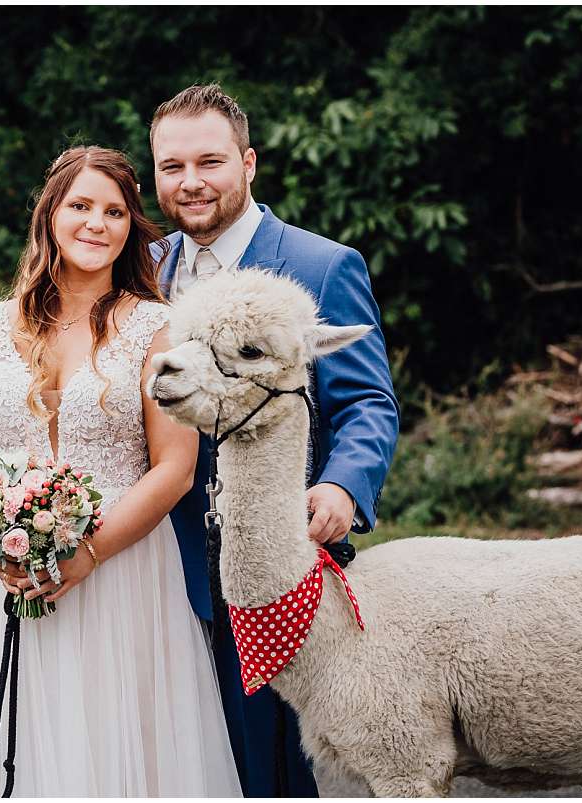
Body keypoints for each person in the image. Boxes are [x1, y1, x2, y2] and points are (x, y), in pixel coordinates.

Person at [0, 146, 242, 797]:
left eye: (115, 211)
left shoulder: (158, 329)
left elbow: (174, 468)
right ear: (50, 214)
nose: (97, 223)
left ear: (131, 225)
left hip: (123, 573)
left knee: (114, 748)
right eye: (81, 206)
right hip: (3, 578)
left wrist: (88, 552)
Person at [150, 84, 401, 796]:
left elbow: (367, 403)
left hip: (273, 563)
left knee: (271, 772)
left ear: (248, 162)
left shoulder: (322, 267)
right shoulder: (141, 268)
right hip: (157, 561)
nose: (191, 182)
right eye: (172, 166)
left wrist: (344, 483)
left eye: (210, 161)